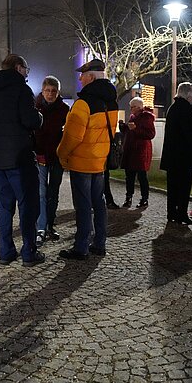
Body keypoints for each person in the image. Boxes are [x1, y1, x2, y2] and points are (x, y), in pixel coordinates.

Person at [0, 54, 45, 266]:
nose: (27, 73)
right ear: (18, 67)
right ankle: (29, 252)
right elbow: (30, 120)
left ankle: (5, 251)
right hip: (20, 158)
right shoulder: (22, 89)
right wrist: (39, 116)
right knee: (28, 206)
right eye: (26, 69)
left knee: (4, 207)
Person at [58, 58, 118, 259]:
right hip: (100, 161)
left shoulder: (83, 103)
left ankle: (81, 247)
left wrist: (61, 154)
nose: (80, 79)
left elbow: (72, 137)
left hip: (82, 161)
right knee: (99, 203)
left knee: (83, 205)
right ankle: (99, 243)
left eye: (82, 76)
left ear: (91, 77)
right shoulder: (112, 101)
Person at [34, 75, 70, 245]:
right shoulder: (35, 107)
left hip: (56, 157)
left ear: (58, 92)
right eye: (47, 91)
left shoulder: (64, 109)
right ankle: (41, 227)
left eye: (53, 91)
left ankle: (50, 224)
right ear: (42, 91)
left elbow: (67, 133)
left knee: (53, 193)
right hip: (40, 155)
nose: (50, 94)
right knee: (41, 193)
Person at [160, 82, 192, 225]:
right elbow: (190, 135)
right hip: (183, 157)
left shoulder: (173, 108)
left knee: (172, 187)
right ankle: (182, 214)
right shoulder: (186, 109)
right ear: (188, 94)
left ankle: (171, 213)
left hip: (172, 156)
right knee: (183, 187)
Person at [119, 97, 155, 208]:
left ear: (139, 107)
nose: (131, 109)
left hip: (140, 151)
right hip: (131, 150)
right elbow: (129, 131)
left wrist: (135, 129)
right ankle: (128, 197)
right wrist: (123, 127)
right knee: (129, 176)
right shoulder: (133, 117)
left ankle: (144, 198)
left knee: (141, 176)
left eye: (132, 107)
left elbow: (150, 134)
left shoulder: (146, 117)